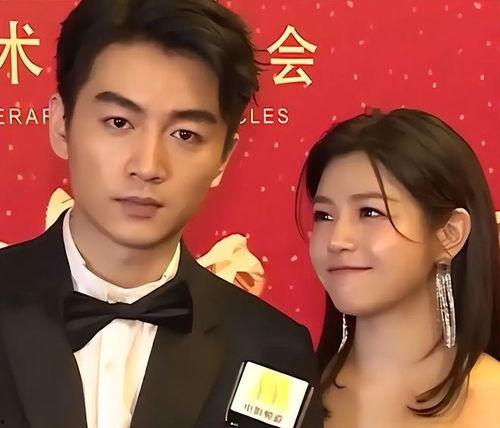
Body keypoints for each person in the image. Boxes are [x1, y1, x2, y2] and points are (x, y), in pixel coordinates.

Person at [0, 1, 322, 427]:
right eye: (119, 122)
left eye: (185, 134)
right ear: (61, 124)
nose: (149, 165)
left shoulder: (271, 349)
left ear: (224, 157)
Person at [298, 108, 500, 427]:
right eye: (324, 215)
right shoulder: (289, 394)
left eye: (370, 212)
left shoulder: (492, 399)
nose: (337, 240)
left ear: (449, 234)